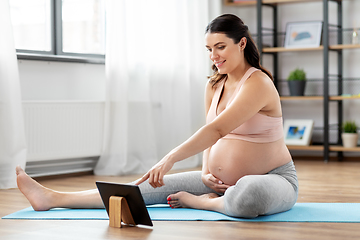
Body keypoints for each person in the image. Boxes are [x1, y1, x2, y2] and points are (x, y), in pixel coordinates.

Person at [16, 14, 298, 218]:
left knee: (249, 195)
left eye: (220, 47)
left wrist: (170, 158)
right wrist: (204, 172)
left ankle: (205, 204)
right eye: (209, 49)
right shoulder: (215, 84)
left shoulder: (258, 83)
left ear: (242, 44)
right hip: (216, 182)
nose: (213, 55)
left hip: (271, 179)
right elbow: (210, 132)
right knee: (137, 188)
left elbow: (218, 130)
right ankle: (51, 197)